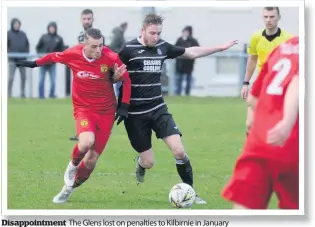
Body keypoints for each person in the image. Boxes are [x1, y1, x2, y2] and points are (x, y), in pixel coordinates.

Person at [117, 12, 238, 205]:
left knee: (179, 151)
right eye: (152, 33)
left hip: (158, 109)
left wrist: (218, 48)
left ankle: (191, 191)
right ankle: (141, 164)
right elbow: (112, 72)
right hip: (135, 115)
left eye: (159, 33)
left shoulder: (162, 47)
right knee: (149, 162)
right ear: (143, 30)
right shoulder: (128, 49)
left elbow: (190, 52)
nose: (156, 37)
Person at [16, 28, 131, 204]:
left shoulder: (110, 57)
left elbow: (127, 78)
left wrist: (124, 105)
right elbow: (54, 56)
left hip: (107, 111)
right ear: (84, 44)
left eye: (101, 45)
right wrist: (35, 63)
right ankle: (72, 165)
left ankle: (68, 188)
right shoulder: (73, 54)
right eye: (94, 46)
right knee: (86, 142)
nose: (98, 50)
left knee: (92, 160)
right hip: (84, 108)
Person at [222, 36, 299, 209]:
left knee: (245, 211)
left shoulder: (283, 48)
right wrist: (286, 121)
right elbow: (298, 80)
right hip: (293, 143)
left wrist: (268, 117)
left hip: (260, 142)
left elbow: (253, 99)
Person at [240, 7, 292, 136]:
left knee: (276, 125)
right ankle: (252, 155)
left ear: (279, 18)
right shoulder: (256, 37)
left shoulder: (288, 39)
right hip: (261, 83)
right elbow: (252, 60)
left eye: (272, 17)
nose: (268, 20)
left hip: (279, 86)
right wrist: (245, 83)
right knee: (250, 124)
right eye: (266, 17)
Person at [69, 9, 105, 141]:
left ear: (92, 19)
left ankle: (97, 130)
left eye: (89, 19)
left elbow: (102, 55)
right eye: (84, 19)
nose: (86, 21)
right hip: (81, 74)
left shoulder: (97, 35)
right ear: (81, 20)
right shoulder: (80, 35)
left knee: (94, 103)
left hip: (95, 75)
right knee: (80, 103)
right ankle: (82, 131)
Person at [36, 21, 65, 99]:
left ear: (55, 28)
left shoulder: (59, 38)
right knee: (41, 80)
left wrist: (57, 57)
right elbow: (38, 47)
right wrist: (41, 55)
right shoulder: (43, 37)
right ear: (48, 28)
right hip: (43, 63)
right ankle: (41, 96)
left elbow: (62, 50)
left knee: (53, 81)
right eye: (50, 28)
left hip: (52, 63)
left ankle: (51, 95)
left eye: (53, 28)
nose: (52, 29)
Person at [7, 18, 30, 98]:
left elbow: (27, 45)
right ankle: (8, 94)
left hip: (22, 60)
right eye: (15, 24)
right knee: (11, 78)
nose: (17, 26)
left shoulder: (23, 34)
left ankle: (22, 93)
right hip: (12, 60)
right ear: (12, 24)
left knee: (23, 77)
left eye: (18, 24)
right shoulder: (8, 34)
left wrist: (25, 55)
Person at [175, 25, 199, 96]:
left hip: (189, 64)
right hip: (180, 64)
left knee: (188, 79)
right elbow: (175, 48)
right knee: (179, 79)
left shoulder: (193, 41)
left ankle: (187, 93)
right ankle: (178, 93)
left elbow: (197, 49)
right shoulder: (179, 40)